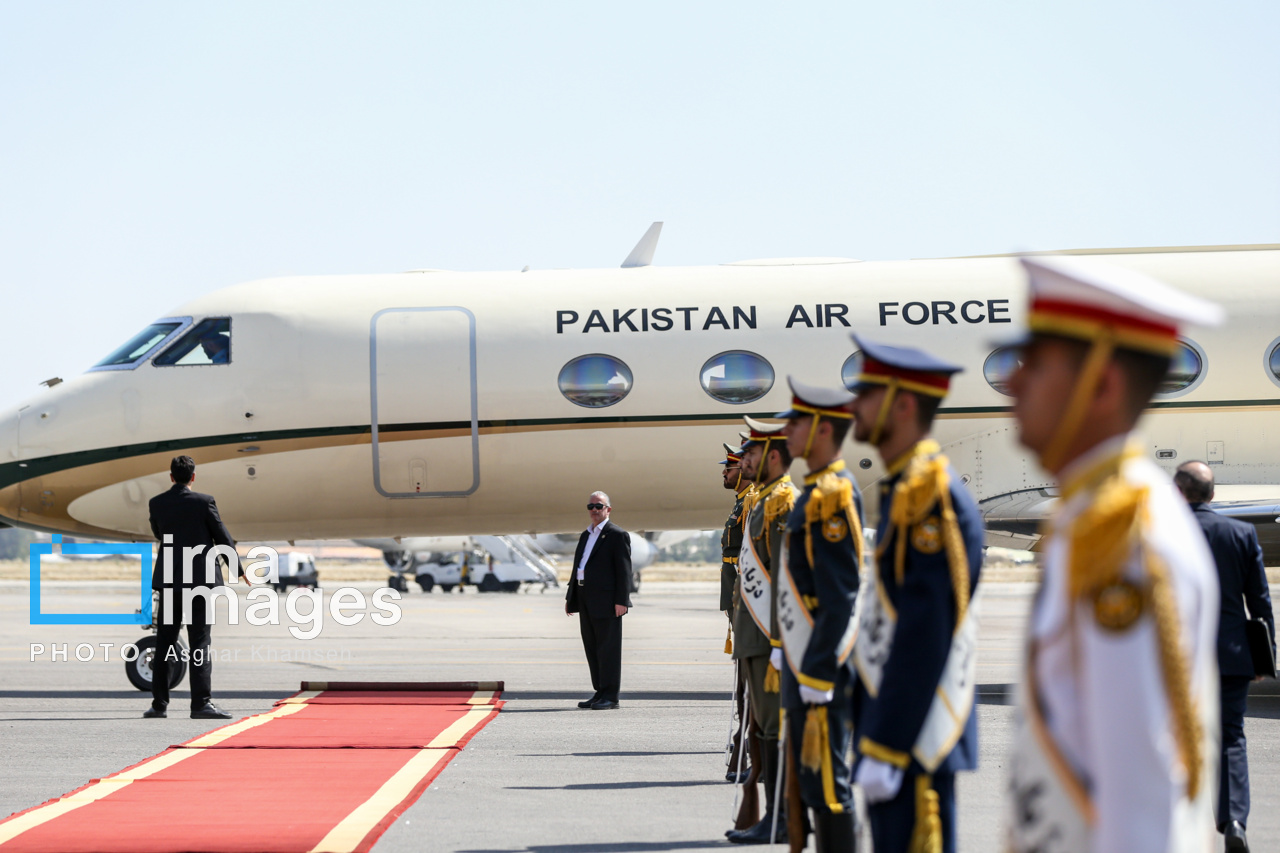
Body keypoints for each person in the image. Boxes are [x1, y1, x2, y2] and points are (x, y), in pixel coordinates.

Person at [1003, 256, 1224, 853]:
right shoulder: (1091, 518)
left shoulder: (1126, 536)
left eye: (1035, 365)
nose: (1013, 382)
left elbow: (1139, 793)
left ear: (1101, 386)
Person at [846, 334, 983, 853]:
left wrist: (886, 743)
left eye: (866, 393)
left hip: (914, 742)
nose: (853, 404)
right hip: (896, 733)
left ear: (903, 404)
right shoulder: (908, 489)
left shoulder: (932, 498)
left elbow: (926, 632)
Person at [775, 377, 863, 851]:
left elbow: (839, 595)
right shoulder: (813, 493)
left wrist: (820, 672)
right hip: (802, 658)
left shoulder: (832, 497)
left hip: (819, 666)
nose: (788, 430)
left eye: (797, 421)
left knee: (828, 786)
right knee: (811, 785)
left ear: (823, 430)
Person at [1175, 460, 1275, 853]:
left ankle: (1180, 826)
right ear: (1212, 495)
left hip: (1177, 659)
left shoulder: (1160, 533)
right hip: (1232, 656)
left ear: (1177, 493)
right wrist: (1263, 659)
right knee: (1231, 737)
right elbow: (1261, 605)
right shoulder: (1242, 532)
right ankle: (1233, 820)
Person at [726, 417, 796, 844]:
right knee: (763, 730)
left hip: (770, 640)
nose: (743, 459)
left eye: (750, 452)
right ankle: (772, 816)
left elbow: (786, 577)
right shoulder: (762, 499)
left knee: (774, 729)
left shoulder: (782, 502)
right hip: (754, 636)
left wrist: (778, 643)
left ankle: (782, 818)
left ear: (771, 456)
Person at [145, 455, 236, 720]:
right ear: (192, 477)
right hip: (199, 581)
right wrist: (237, 568)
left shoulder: (157, 503)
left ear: (171, 476)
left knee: (165, 642)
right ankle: (201, 704)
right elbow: (221, 535)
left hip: (171, 579)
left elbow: (159, 533)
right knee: (199, 642)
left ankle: (159, 705)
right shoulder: (204, 502)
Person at [565, 491, 633, 710]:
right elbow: (579, 567)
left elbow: (624, 571)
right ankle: (599, 691)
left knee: (608, 648)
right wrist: (571, 596)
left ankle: (611, 696)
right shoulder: (586, 535)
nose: (594, 510)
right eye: (591, 506)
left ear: (608, 509)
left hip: (607, 600)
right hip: (585, 597)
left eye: (599, 506)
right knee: (592, 646)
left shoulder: (616, 535)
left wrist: (622, 600)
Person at [720, 442, 755, 783]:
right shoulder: (741, 503)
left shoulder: (753, 502)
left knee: (752, 687)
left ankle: (750, 750)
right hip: (739, 603)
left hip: (750, 603)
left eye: (729, 468)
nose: (724, 473)